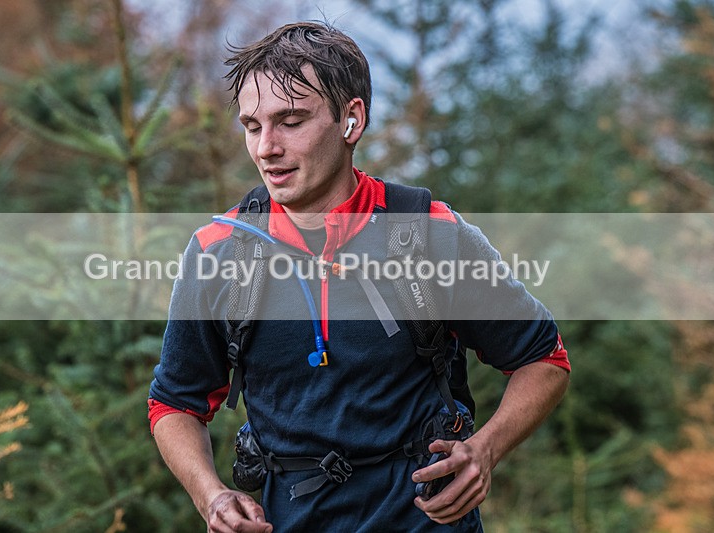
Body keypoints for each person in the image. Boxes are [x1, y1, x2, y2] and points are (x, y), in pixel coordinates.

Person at [148, 21, 570, 532]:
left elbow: (544, 359)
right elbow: (174, 403)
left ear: (351, 120)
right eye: (253, 126)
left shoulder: (428, 233)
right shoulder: (220, 252)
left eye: (292, 120)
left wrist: (485, 450)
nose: (266, 148)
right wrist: (211, 495)